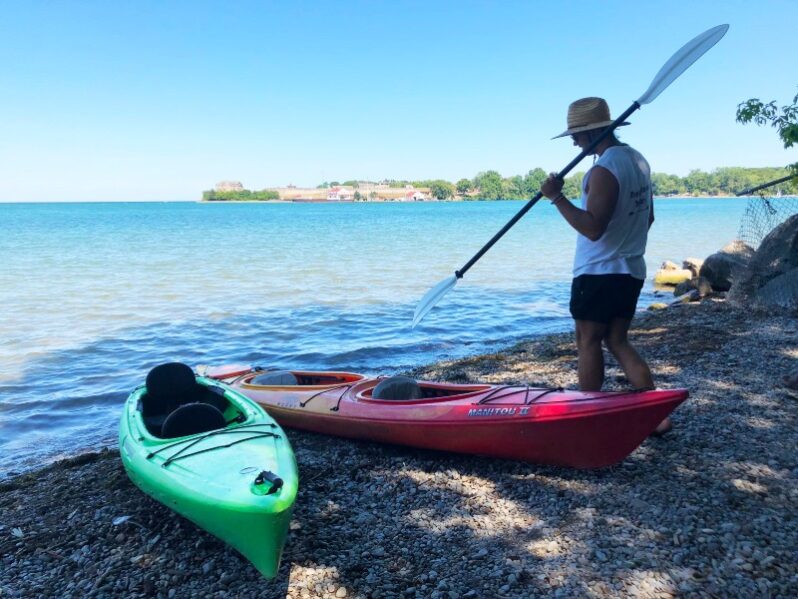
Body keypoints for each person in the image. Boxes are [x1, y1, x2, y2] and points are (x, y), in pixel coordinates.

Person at [540, 97, 671, 434]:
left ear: (597, 131)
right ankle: (655, 415)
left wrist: (556, 198)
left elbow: (593, 228)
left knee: (587, 341)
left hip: (597, 272)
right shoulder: (638, 161)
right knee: (617, 340)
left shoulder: (603, 169)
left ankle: (587, 415)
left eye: (578, 133)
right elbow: (649, 217)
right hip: (631, 270)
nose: (574, 140)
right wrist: (626, 244)